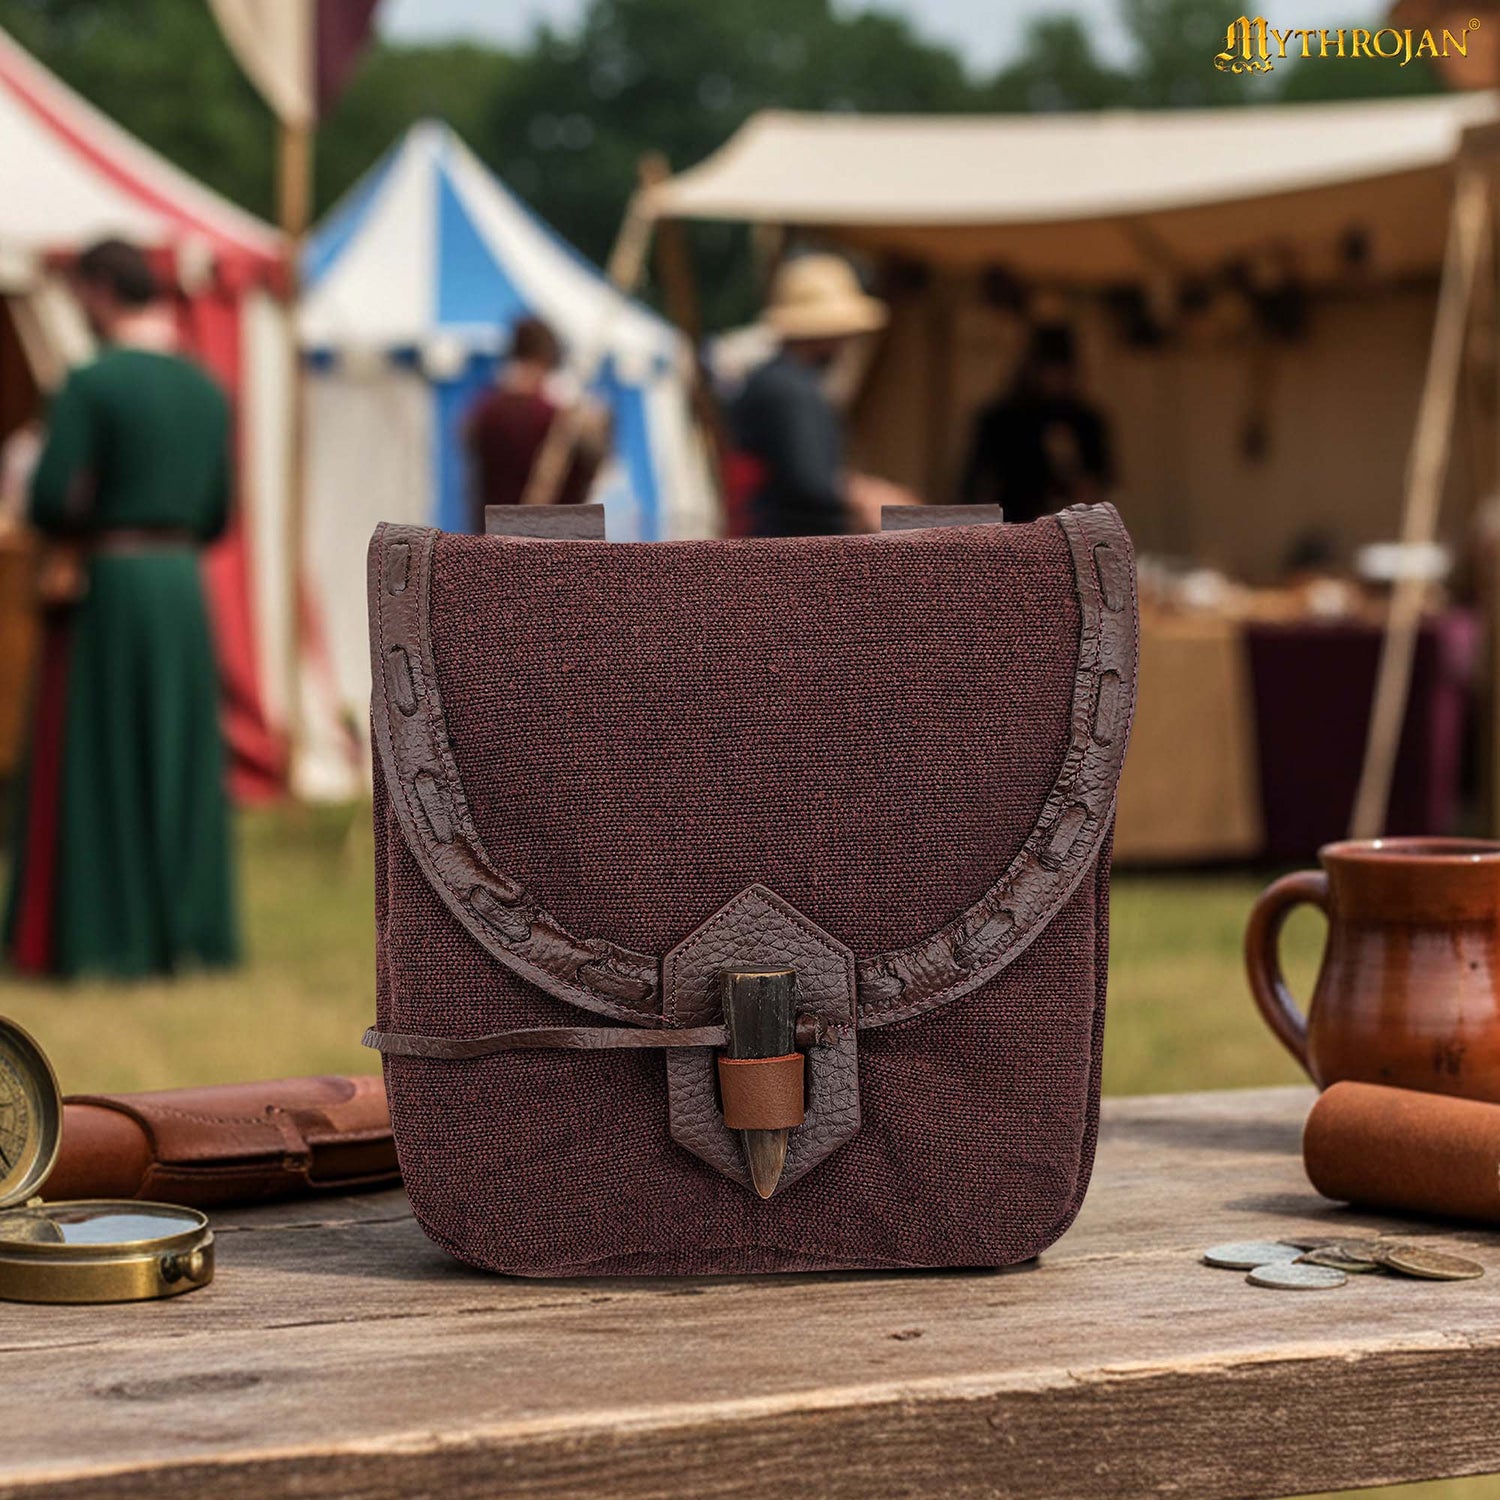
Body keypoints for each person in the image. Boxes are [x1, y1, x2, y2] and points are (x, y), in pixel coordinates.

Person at [4, 239, 237, 978]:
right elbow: (214, 513)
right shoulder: (207, 389)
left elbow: (45, 500)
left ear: (101, 291)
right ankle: (188, 933)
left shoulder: (92, 382)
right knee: (178, 758)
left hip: (110, 585)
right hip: (179, 586)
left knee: (96, 761)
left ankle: (106, 939)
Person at [731, 254, 912, 537]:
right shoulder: (789, 390)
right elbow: (811, 482)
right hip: (788, 550)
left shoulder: (776, 381)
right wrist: (869, 496)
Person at [961, 322, 1114, 524]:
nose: (1054, 379)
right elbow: (974, 485)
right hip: (1011, 528)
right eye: (1048, 369)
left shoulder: (1084, 421)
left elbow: (1094, 487)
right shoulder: (1002, 419)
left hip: (1069, 531)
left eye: (1061, 369)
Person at [463, 315, 605, 530]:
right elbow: (585, 483)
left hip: (491, 541)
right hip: (553, 542)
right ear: (545, 362)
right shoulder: (557, 419)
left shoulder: (482, 412)